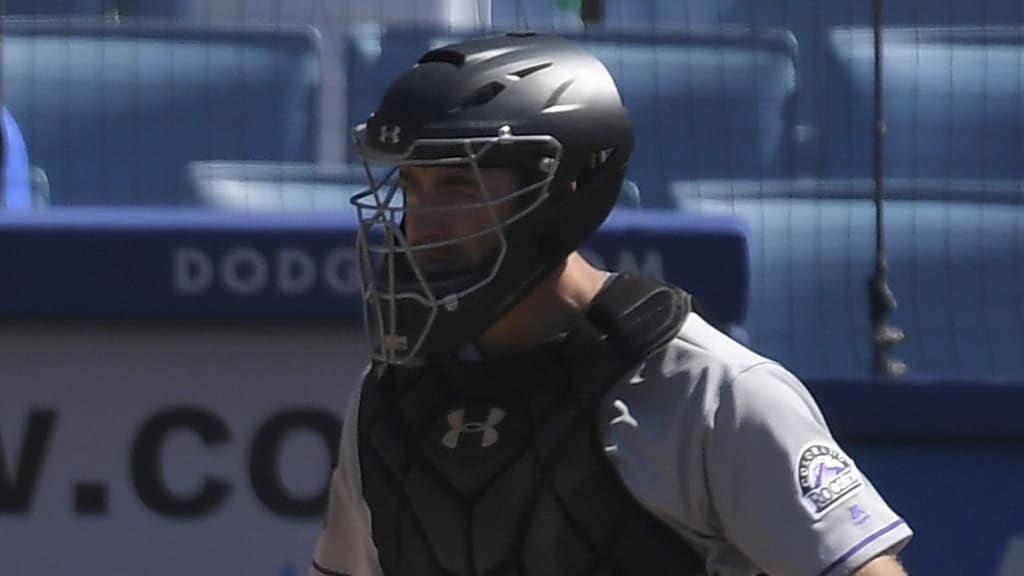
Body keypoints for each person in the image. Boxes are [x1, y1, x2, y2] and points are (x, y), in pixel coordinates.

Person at [311, 32, 913, 576]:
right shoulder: (389, 401)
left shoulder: (714, 394)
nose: (422, 225)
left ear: (562, 188)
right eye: (413, 189)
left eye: (458, 186)